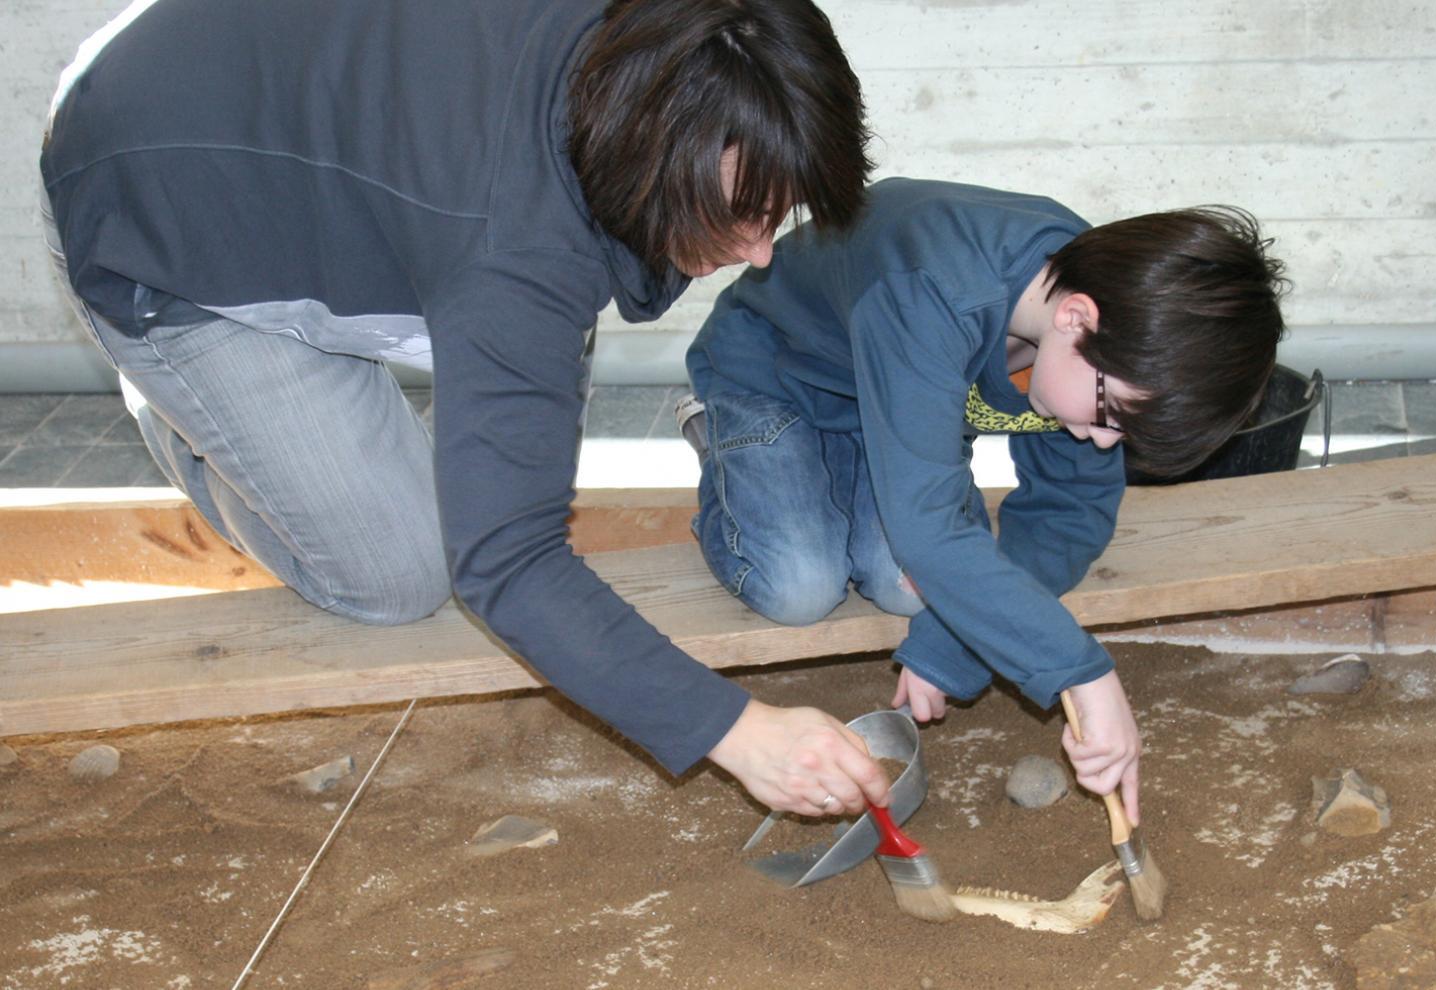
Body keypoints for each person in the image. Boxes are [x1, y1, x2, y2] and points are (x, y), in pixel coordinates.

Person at [40, 0, 896, 819]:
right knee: (403, 573)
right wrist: (739, 732)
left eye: (776, 214)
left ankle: (303, 415)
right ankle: (190, 410)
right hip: (151, 207)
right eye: (738, 214)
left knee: (505, 423)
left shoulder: (652, 46)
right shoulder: (515, 246)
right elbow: (508, 564)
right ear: (650, 146)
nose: (758, 252)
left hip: (285, 122)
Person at [683, 178, 1288, 821]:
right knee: (799, 586)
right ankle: (717, 444)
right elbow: (931, 531)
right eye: (1112, 414)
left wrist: (953, 641)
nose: (1105, 441)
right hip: (772, 377)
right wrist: (1084, 674)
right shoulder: (934, 289)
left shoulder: (1110, 334)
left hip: (885, 413)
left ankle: (869, 473)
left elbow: (1067, 516)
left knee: (904, 587)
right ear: (1076, 319)